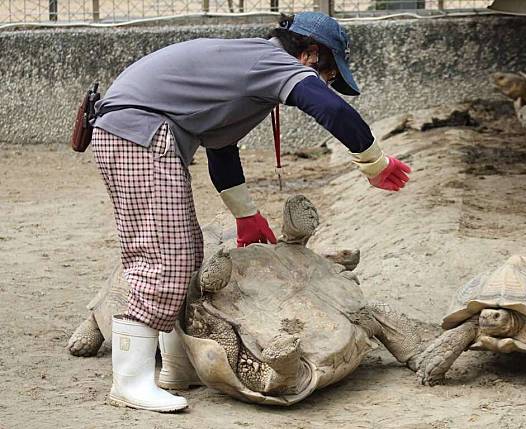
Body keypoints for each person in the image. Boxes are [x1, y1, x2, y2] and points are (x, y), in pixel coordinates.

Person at [90, 11, 412, 412]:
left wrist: (245, 214)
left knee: (186, 252)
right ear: (311, 54)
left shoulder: (249, 68)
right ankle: (130, 380)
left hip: (137, 131)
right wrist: (375, 164)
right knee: (163, 258)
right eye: (329, 73)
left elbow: (221, 147)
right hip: (139, 133)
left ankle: (174, 365)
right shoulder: (273, 62)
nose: (328, 83)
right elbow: (332, 110)